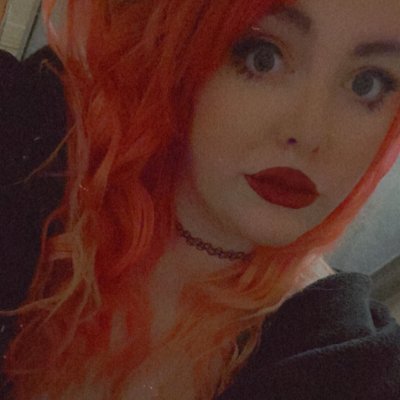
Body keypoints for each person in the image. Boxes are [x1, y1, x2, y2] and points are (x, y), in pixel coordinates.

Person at [1, 0, 400, 399]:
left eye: (367, 83)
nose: (310, 134)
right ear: (176, 46)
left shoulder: (344, 363)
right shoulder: (34, 139)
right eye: (263, 57)